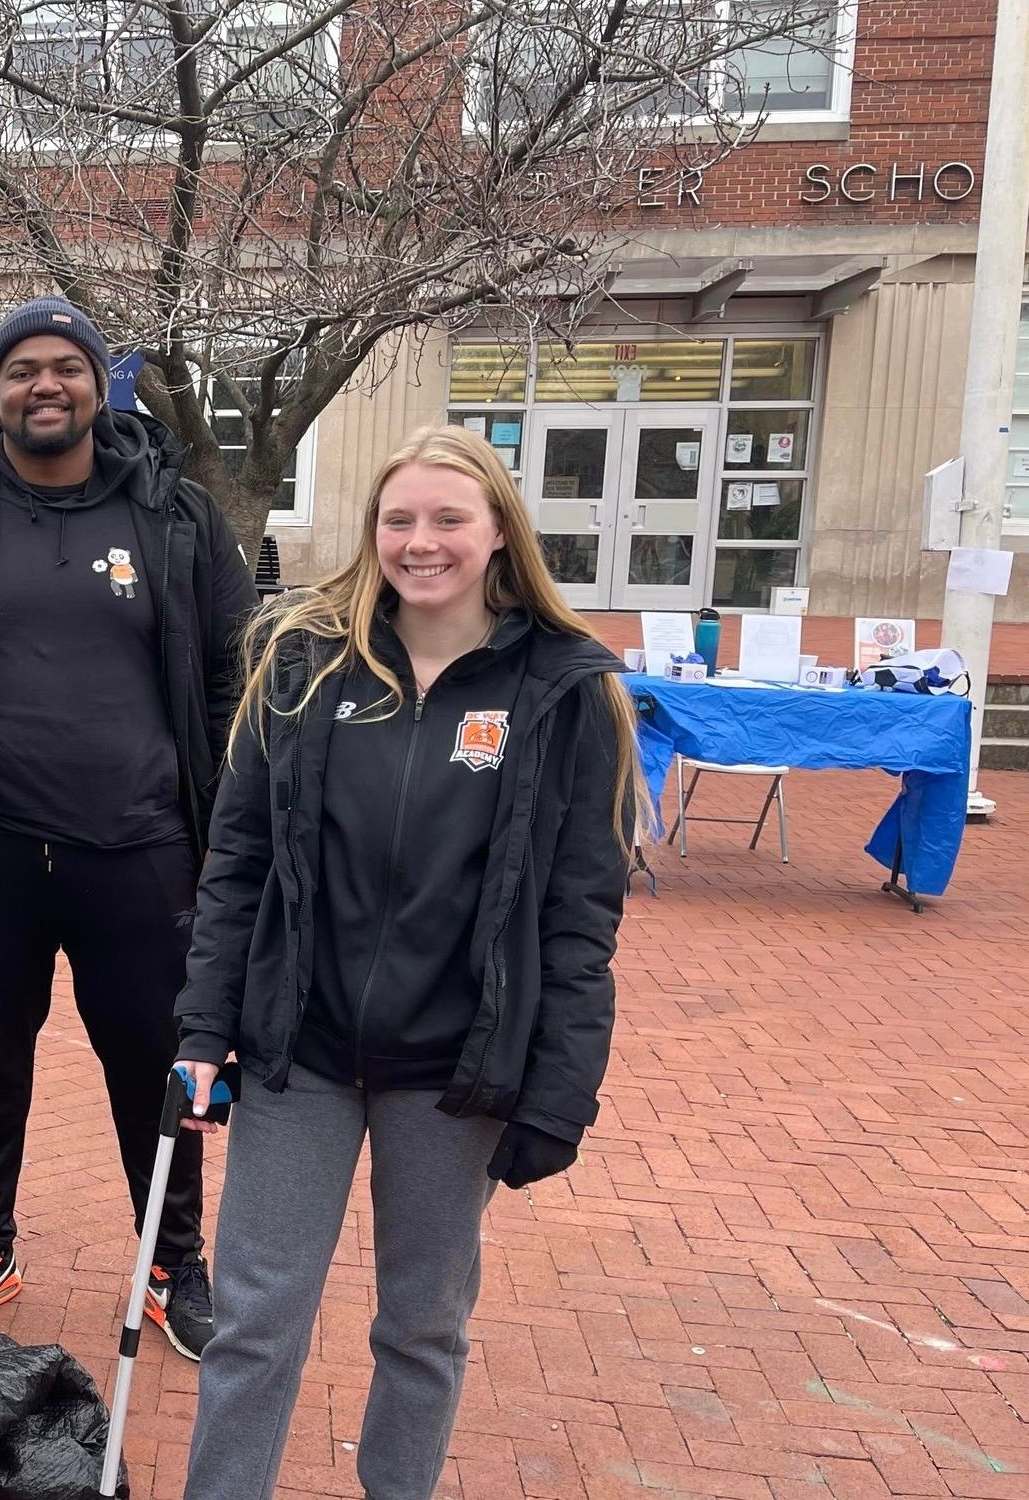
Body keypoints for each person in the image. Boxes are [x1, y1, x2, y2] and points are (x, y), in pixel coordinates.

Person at [172, 424, 644, 1499]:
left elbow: (580, 914)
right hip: (300, 1051)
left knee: (423, 1326)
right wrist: (203, 1029)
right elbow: (236, 863)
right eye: (397, 519)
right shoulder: (301, 667)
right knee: (253, 1323)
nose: (417, 541)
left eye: (445, 519)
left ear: (495, 535)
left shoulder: (564, 691)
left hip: (452, 1069)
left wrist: (558, 1091)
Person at [0, 296, 259, 1355]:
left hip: (142, 851)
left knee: (153, 1063)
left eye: (64, 367)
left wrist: (210, 802)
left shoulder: (175, 515)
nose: (44, 385)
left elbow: (230, 671)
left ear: (95, 385)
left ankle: (172, 1263)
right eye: (21, 368)